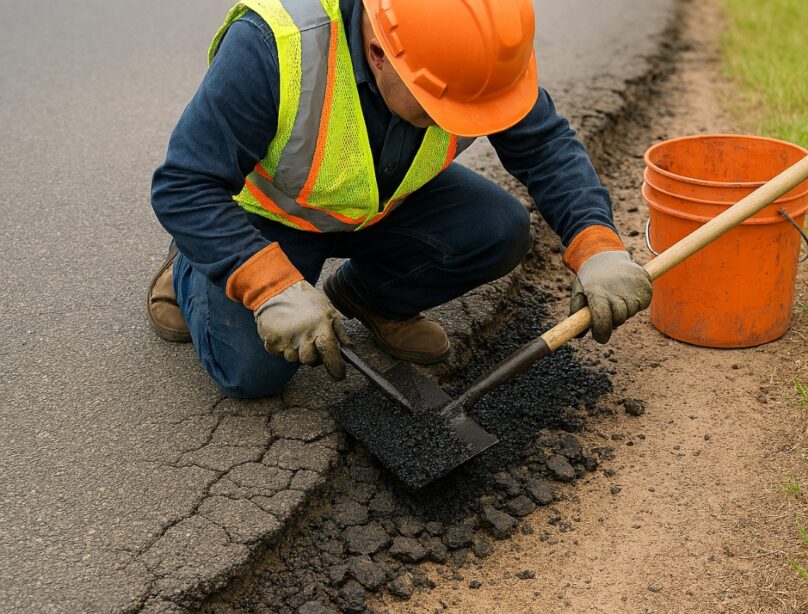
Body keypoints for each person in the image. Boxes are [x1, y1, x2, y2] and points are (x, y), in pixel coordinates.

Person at [148, 0, 652, 399]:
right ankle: (188, 267)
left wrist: (596, 244)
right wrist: (266, 284)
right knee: (254, 375)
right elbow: (185, 184)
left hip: (385, 199)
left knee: (500, 230)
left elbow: (544, 147)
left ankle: (370, 298)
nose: (461, 123)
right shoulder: (274, 44)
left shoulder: (471, 56)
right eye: (443, 108)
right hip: (269, 217)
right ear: (378, 53)